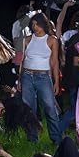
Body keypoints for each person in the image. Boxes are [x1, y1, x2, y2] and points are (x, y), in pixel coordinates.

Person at [18, 12, 61, 144]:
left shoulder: (52, 39)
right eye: (33, 24)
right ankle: (32, 138)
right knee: (29, 109)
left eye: (37, 24)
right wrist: (19, 79)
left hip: (43, 77)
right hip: (27, 76)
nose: (35, 27)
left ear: (43, 24)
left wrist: (56, 82)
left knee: (50, 108)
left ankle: (56, 138)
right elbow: (22, 60)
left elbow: (54, 62)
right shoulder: (27, 39)